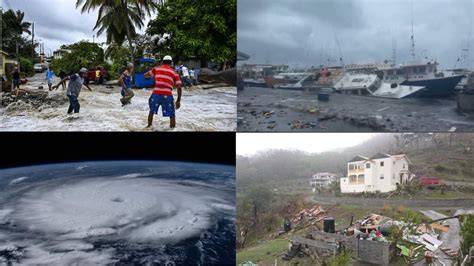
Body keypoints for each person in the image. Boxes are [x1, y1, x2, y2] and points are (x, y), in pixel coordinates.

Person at [144, 55, 182, 129]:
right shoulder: (174, 72)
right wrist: (178, 100)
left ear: (162, 62)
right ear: (171, 63)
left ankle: (149, 127)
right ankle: (172, 129)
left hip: (156, 93)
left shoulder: (156, 69)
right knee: (172, 114)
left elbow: (145, 75)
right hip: (167, 94)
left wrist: (152, 77)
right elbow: (179, 87)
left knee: (151, 111)